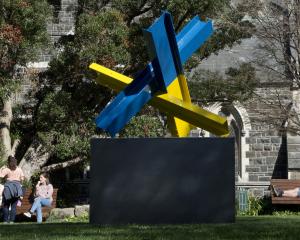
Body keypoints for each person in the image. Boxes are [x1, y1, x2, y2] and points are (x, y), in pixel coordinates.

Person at [0, 155, 25, 223]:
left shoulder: (6, 169)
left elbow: (1, 176)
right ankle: (12, 221)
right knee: (14, 206)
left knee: (6, 205)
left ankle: (5, 220)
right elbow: (22, 178)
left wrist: (1, 168)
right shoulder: (19, 169)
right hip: (17, 188)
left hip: (8, 188)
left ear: (9, 162)